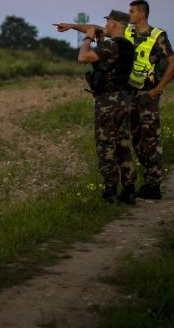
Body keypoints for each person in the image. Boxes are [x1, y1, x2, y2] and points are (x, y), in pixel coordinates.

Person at [55, 11, 137, 204]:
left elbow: (83, 57)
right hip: (124, 99)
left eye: (108, 22)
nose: (105, 25)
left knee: (105, 145)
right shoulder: (126, 44)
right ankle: (129, 188)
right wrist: (72, 25)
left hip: (108, 101)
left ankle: (110, 191)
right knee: (122, 144)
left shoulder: (110, 45)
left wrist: (88, 38)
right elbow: (95, 28)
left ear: (116, 24)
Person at [124, 0, 174, 200]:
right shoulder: (127, 32)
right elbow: (101, 28)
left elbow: (173, 63)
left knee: (150, 140)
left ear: (142, 13)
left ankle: (153, 185)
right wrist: (72, 27)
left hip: (148, 96)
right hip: (130, 95)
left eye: (131, 11)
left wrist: (157, 89)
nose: (129, 14)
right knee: (136, 140)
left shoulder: (157, 36)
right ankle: (149, 180)